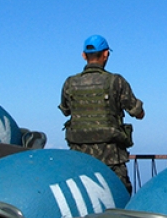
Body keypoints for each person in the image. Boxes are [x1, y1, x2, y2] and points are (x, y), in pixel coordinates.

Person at [59, 34, 145, 192]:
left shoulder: (70, 83)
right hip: (111, 157)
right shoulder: (116, 81)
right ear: (106, 54)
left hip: (80, 157)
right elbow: (138, 112)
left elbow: (65, 110)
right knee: (120, 195)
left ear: (83, 55)